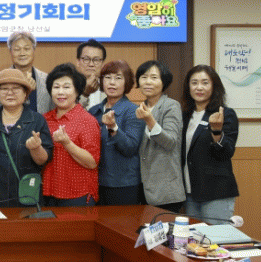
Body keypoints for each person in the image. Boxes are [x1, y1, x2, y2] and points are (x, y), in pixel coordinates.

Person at [0, 69, 53, 207]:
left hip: (26, 197)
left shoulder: (37, 120)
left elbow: (43, 160)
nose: (10, 93)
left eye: (16, 88)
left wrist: (36, 148)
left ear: (25, 93)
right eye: (4, 89)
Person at [181, 64, 239, 223]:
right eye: (194, 83)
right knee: (194, 238)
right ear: (188, 87)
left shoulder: (226, 114)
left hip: (216, 192)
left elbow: (226, 152)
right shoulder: (185, 115)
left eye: (205, 82)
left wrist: (216, 131)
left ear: (214, 86)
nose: (199, 87)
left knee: (215, 237)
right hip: (189, 192)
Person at [42, 63, 101, 206]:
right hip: (49, 191)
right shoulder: (44, 119)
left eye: (66, 87)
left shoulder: (87, 120)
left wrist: (67, 143)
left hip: (78, 193)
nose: (60, 92)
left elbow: (92, 162)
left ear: (77, 91)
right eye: (56, 87)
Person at [88, 60, 145, 205]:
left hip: (123, 184)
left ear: (127, 83)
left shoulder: (133, 111)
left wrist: (113, 127)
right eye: (107, 77)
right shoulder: (94, 111)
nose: (112, 83)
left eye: (118, 78)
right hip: (96, 182)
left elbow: (130, 148)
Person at [135, 60, 185, 212]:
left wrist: (149, 120)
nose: (148, 82)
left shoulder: (171, 105)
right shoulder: (140, 108)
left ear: (164, 82)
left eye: (154, 77)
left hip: (166, 191)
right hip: (144, 188)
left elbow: (170, 142)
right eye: (144, 77)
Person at [0, 31, 52, 114]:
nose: (22, 53)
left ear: (34, 50)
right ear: (10, 52)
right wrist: (26, 91)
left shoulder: (47, 79)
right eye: (17, 49)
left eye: (26, 49)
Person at [76, 39, 107, 109]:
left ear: (103, 64)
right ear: (78, 62)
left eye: (96, 60)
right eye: (86, 59)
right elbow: (68, 113)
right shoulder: (67, 87)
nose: (91, 64)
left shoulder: (109, 88)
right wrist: (85, 94)